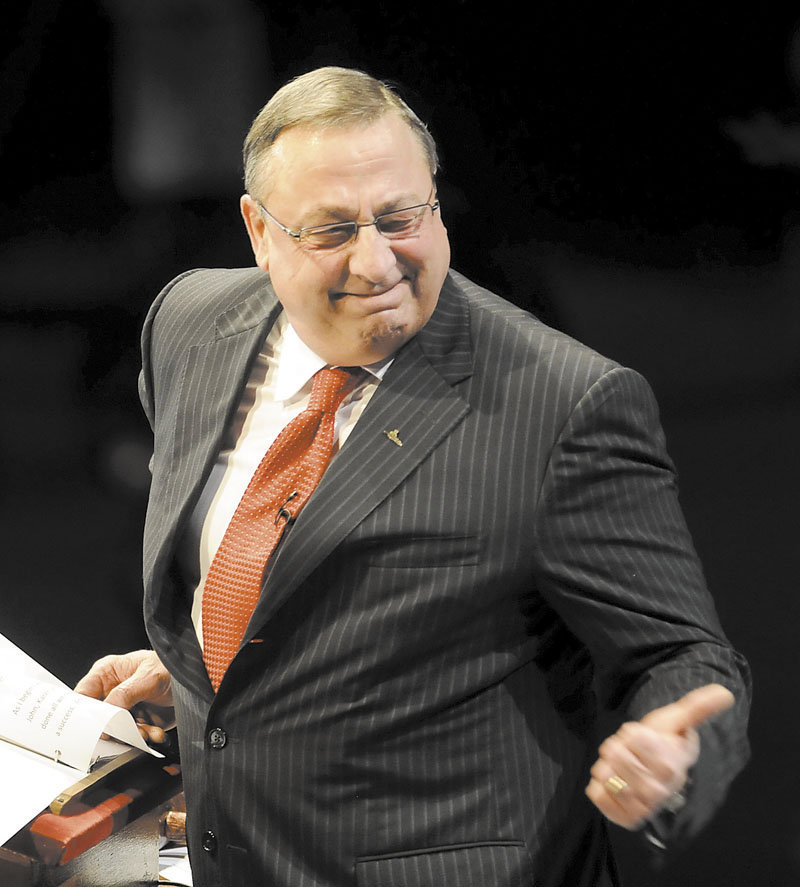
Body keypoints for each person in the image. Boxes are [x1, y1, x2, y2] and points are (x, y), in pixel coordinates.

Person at [75, 66, 750, 886]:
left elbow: (682, 657)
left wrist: (675, 755)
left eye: (401, 218)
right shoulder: (187, 326)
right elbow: (262, 568)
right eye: (331, 231)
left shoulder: (564, 403)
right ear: (259, 231)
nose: (377, 261)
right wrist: (203, 680)